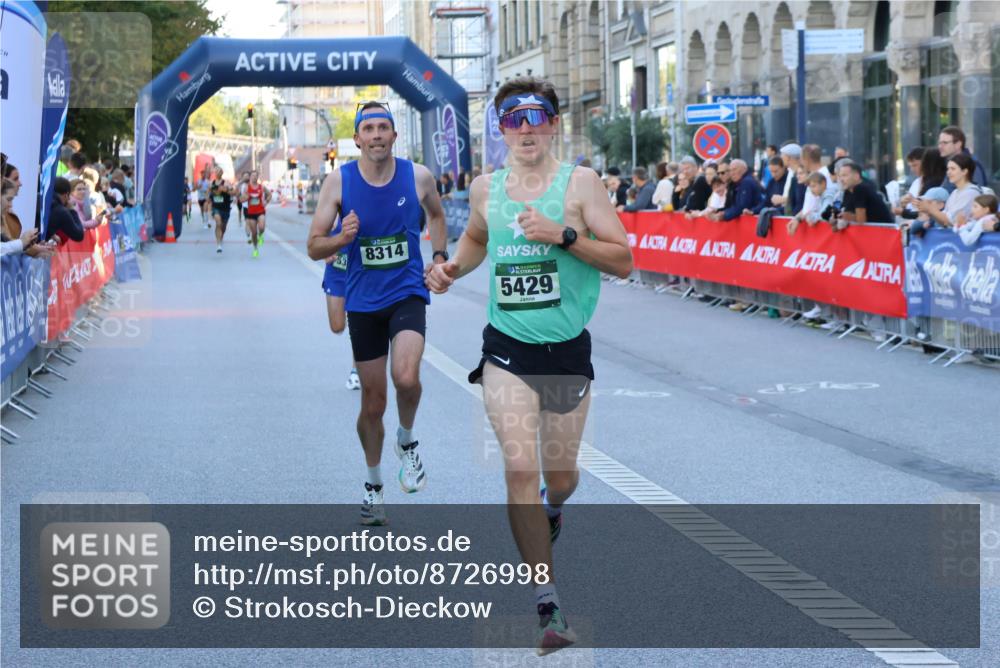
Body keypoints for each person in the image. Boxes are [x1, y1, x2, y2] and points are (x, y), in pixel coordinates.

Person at [424, 76, 633, 656]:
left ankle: (552, 510)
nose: (524, 129)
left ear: (553, 123)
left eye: (535, 118)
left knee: (560, 480)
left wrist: (563, 234)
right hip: (507, 351)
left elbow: (623, 261)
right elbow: (473, 241)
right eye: (512, 120)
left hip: (566, 350)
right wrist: (448, 270)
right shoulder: (487, 187)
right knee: (519, 467)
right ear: (500, 129)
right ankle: (548, 605)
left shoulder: (581, 183)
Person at [307, 101, 447, 526]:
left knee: (406, 377)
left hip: (407, 293)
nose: (377, 135)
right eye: (368, 128)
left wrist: (439, 256)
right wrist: (340, 238)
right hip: (364, 302)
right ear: (357, 138)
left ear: (394, 135)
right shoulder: (339, 182)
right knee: (373, 403)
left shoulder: (417, 176)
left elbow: (438, 215)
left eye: (383, 127)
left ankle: (406, 439)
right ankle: (373, 484)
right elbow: (314, 246)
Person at [320, 218, 362, 391]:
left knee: (358, 321)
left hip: (360, 270)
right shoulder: (333, 201)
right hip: (337, 269)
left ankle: (356, 371)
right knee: (337, 326)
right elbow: (317, 236)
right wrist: (325, 251)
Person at [917, 153, 982, 230]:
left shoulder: (970, 193)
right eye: (948, 169)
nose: (948, 172)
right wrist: (929, 211)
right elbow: (944, 221)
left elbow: (952, 221)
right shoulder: (955, 192)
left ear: (964, 171)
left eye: (953, 169)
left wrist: (930, 209)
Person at [836, 161, 894, 228]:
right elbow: (845, 214)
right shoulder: (848, 191)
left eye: (844, 175)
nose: (841, 179)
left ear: (856, 176)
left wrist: (847, 217)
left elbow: (861, 221)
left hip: (884, 232)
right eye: (840, 176)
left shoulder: (860, 188)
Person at [46, 177, 85, 244]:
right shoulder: (61, 211)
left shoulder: (40, 199)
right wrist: (72, 210)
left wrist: (52, 234)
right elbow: (79, 235)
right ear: (66, 195)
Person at [242, 170, 270, 257]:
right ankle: (255, 248)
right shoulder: (247, 188)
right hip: (251, 212)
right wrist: (245, 198)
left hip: (260, 210)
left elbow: (269, 195)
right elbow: (242, 199)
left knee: (261, 227)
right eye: (252, 176)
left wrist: (266, 201)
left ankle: (261, 235)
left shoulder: (261, 187)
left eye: (255, 176)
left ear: (258, 177)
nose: (254, 177)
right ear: (250, 177)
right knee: (253, 233)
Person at [209, 167, 235, 253]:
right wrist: (208, 200)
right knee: (218, 223)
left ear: (222, 173)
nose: (217, 172)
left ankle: (221, 238)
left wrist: (226, 190)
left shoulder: (226, 183)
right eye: (216, 171)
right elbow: (208, 194)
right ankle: (218, 245)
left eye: (219, 171)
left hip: (226, 208)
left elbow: (233, 192)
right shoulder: (211, 183)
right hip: (216, 207)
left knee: (223, 228)